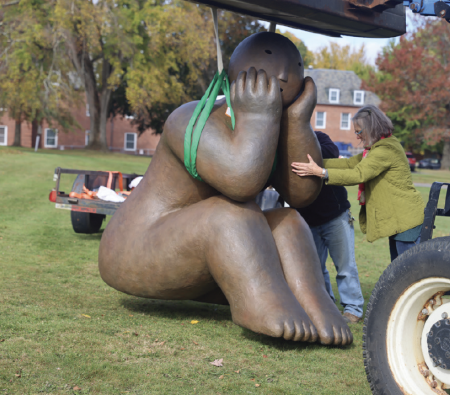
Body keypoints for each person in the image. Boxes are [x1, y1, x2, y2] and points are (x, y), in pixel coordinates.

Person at [98, 32, 353, 346]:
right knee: (233, 214)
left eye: (296, 66)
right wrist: (259, 115)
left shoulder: (274, 126)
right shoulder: (190, 120)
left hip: (209, 250)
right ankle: (258, 301)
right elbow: (240, 180)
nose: (285, 75)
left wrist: (298, 122)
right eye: (272, 61)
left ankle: (312, 300)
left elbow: (302, 194)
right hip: (135, 249)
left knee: (288, 221)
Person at [291, 105, 425, 264]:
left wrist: (321, 172)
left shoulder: (386, 150)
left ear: (371, 128)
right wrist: (313, 163)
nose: (357, 136)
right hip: (401, 222)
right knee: (401, 272)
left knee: (410, 272)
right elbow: (349, 164)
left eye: (359, 131)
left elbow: (358, 174)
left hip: (407, 221)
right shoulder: (375, 149)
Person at [296, 131, 364, 324]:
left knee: (345, 266)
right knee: (315, 268)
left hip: (335, 216)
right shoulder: (281, 145)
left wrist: (300, 151)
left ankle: (353, 309)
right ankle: (326, 304)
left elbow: (331, 151)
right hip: (307, 220)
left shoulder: (318, 137)